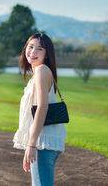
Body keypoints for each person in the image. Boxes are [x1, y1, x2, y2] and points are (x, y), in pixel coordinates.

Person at [13, 32, 67, 186]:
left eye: (40, 49)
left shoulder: (42, 71)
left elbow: (42, 107)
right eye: (30, 47)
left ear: (47, 54)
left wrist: (31, 145)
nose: (33, 52)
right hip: (44, 142)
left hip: (42, 143)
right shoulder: (38, 72)